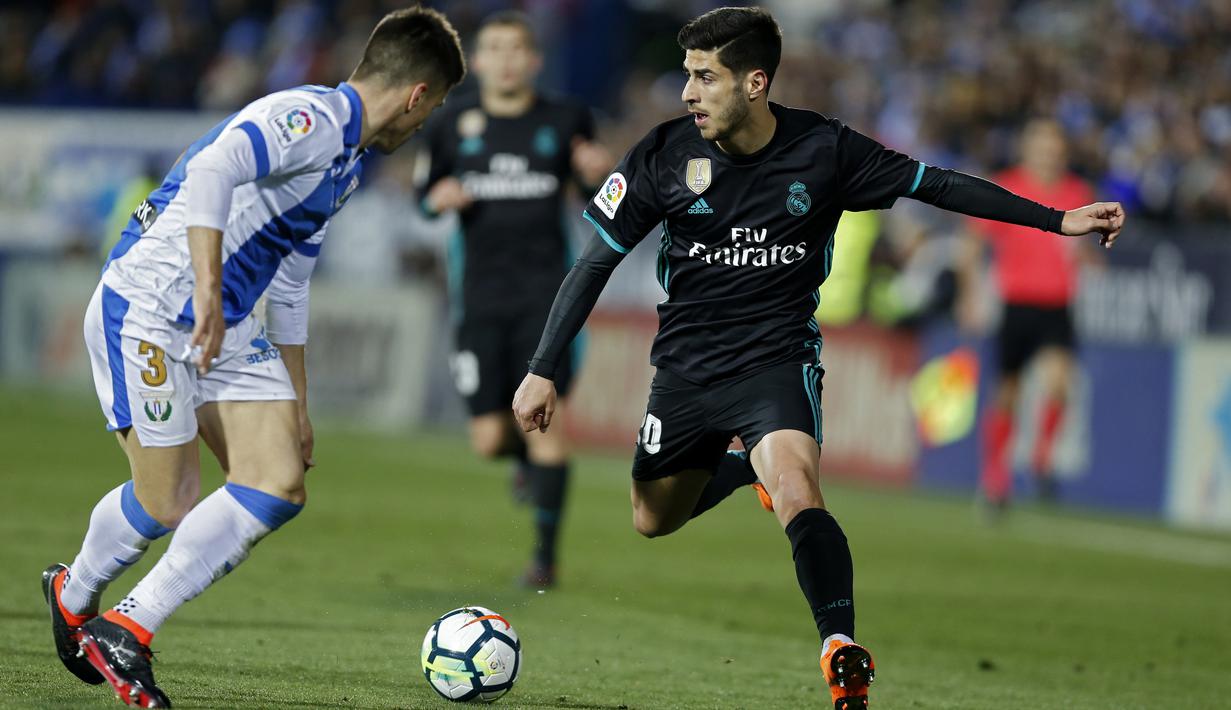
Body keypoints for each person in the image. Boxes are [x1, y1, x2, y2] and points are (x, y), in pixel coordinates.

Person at [511, 7, 1124, 709]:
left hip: (777, 359)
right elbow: (593, 262)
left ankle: (838, 645)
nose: (687, 93)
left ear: (754, 82)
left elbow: (939, 185)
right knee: (652, 517)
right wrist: (543, 366)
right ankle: (743, 470)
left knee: (799, 486)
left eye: (704, 78)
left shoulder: (826, 151)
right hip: (683, 367)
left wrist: (1057, 220)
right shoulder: (661, 154)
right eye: (686, 76)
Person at [42, 8, 465, 707]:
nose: (425, 125)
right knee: (168, 499)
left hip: (226, 325)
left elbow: (292, 282)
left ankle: (128, 628)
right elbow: (214, 164)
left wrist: (297, 403)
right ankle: (74, 589)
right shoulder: (309, 117)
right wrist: (207, 284)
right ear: (417, 94)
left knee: (278, 480)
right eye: (435, 107)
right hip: (151, 307)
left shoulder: (346, 166)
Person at [418, 11, 612, 588]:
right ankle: (525, 465)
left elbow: (596, 194)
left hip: (547, 302)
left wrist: (594, 175)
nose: (504, 59)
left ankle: (545, 560)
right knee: (488, 439)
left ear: (534, 60)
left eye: (515, 49)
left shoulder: (566, 118)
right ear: (477, 62)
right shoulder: (452, 125)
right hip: (477, 299)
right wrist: (439, 198)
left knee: (547, 424)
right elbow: (423, 197)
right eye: (493, 49)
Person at [959, 118, 1096, 509]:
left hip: (1057, 303)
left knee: (1059, 382)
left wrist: (1089, 255)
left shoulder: (1076, 190)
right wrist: (969, 293)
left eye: (1054, 145)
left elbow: (1084, 247)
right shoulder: (1008, 186)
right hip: (1017, 303)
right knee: (1008, 393)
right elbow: (973, 242)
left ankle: (1040, 458)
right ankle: (995, 477)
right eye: (1041, 144)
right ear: (1028, 148)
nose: (1048, 152)